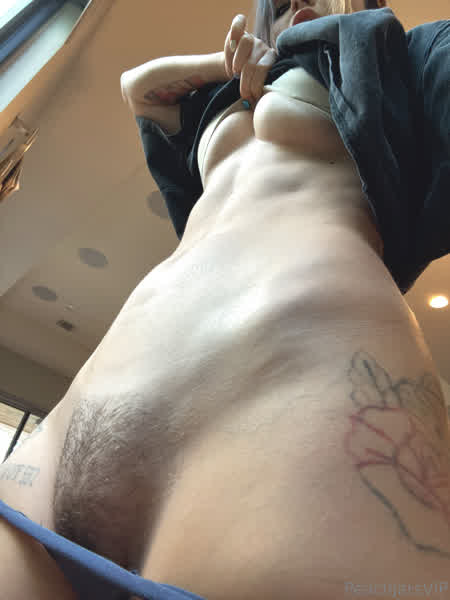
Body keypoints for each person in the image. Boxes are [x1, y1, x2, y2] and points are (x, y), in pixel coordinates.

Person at [1, 1, 449, 599]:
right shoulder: (224, 102)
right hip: (62, 450)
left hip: (293, 450)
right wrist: (223, 67)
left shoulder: (402, 58)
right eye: (277, 3)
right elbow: (143, 92)